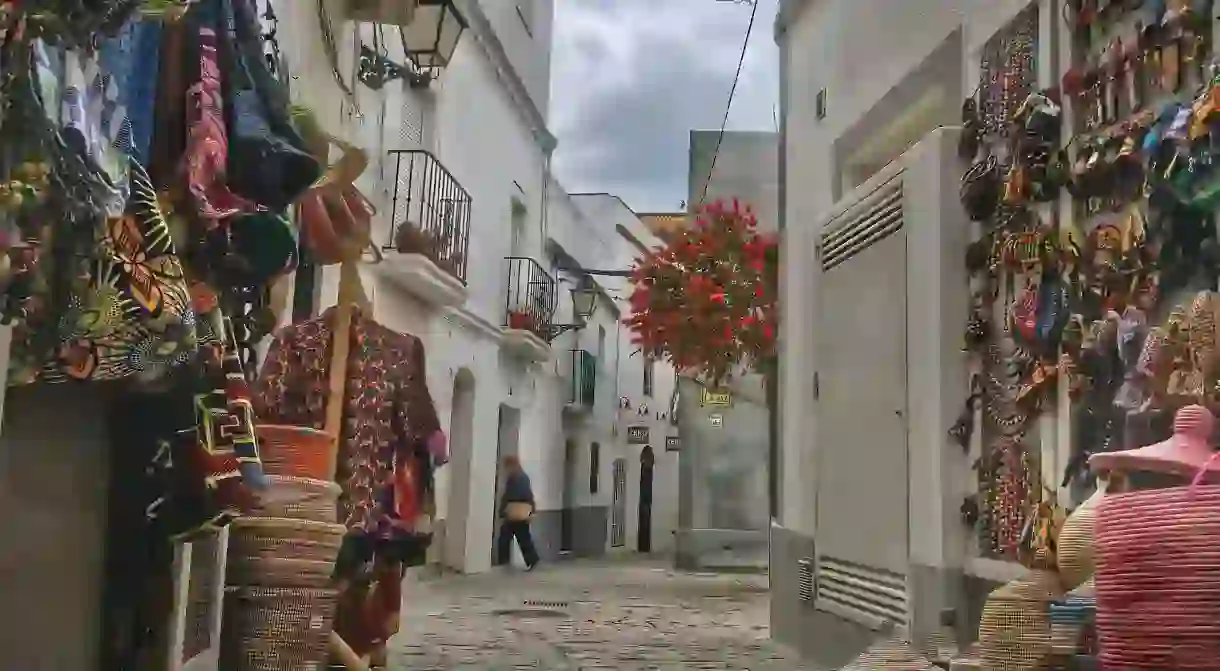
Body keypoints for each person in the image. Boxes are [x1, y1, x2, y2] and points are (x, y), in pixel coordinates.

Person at [497, 455, 540, 570]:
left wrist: (502, 511)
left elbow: (508, 496)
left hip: (514, 512)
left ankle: (504, 562)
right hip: (521, 512)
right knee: (523, 538)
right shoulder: (523, 477)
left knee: (506, 537)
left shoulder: (515, 478)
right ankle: (533, 560)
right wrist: (532, 510)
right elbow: (529, 495)